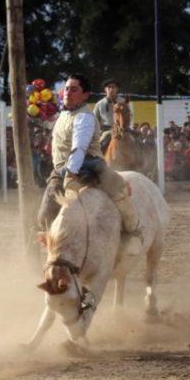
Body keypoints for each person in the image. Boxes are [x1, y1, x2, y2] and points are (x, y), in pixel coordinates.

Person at [37, 74, 143, 255]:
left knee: (118, 191)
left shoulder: (84, 117)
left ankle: (134, 233)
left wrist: (71, 173)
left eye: (74, 89)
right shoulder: (67, 113)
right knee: (43, 215)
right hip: (63, 167)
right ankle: (47, 248)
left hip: (89, 163)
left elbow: (79, 147)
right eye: (67, 89)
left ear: (85, 95)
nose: (68, 92)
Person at [93, 78, 132, 152]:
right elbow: (94, 120)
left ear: (117, 89)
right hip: (106, 131)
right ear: (105, 89)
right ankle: (100, 158)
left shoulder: (123, 102)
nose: (111, 89)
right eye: (109, 87)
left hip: (124, 130)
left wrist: (126, 127)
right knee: (101, 146)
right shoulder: (99, 104)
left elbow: (130, 116)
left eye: (113, 87)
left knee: (136, 143)